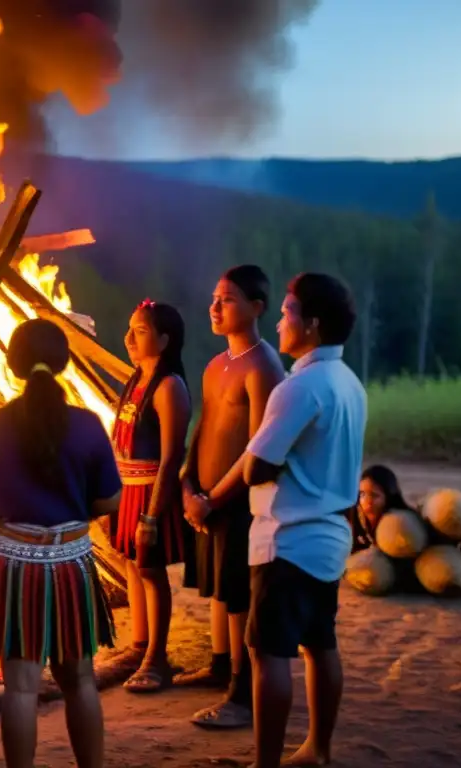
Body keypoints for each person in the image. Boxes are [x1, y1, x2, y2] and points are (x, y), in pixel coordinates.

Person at [0, 318, 122, 768]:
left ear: (12, 365)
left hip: (12, 564)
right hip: (71, 561)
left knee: (19, 685)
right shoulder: (88, 425)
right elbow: (109, 498)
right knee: (81, 680)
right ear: (63, 362)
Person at [242, 272, 367, 768]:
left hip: (289, 539)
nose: (278, 322)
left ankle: (266, 762)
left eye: (287, 311)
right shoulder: (350, 383)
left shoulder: (301, 387)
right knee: (319, 643)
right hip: (330, 537)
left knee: (268, 654)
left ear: (311, 324)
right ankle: (318, 747)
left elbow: (257, 466)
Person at [176, 265, 285, 729]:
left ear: (257, 307)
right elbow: (203, 427)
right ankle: (220, 664)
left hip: (237, 502)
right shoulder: (216, 365)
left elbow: (257, 447)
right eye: (215, 298)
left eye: (228, 299)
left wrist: (214, 498)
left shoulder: (264, 366)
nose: (215, 307)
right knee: (219, 588)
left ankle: (241, 694)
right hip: (205, 497)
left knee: (238, 595)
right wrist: (186, 483)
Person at [110, 299, 192, 693]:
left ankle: (157, 658)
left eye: (139, 331)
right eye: (129, 328)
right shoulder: (135, 379)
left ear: (164, 339)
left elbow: (172, 454)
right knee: (129, 566)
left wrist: (152, 515)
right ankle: (138, 645)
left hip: (150, 493)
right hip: (127, 490)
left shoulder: (169, 387)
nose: (128, 337)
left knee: (151, 572)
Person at [349, 464, 414, 552]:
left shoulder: (400, 524)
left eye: (374, 495)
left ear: (389, 496)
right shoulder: (353, 518)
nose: (367, 501)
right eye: (362, 494)